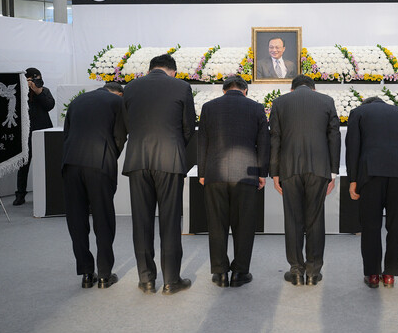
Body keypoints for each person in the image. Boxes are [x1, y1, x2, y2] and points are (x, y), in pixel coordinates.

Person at [120, 54, 196, 295]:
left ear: (150, 69)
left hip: (137, 159)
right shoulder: (181, 86)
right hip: (169, 159)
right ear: (172, 71)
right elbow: (188, 127)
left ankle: (146, 279)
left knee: (141, 221)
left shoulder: (130, 87)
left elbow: (127, 124)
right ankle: (171, 281)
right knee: (170, 221)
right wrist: (175, 146)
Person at [198, 76, 270, 287]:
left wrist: (202, 172)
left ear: (224, 90)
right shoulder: (256, 108)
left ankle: (220, 273)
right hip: (246, 173)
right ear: (245, 90)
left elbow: (202, 141)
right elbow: (263, 143)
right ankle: (240, 272)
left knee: (216, 223)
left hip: (215, 173)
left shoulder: (209, 107)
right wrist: (262, 173)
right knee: (245, 224)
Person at [269, 75, 340, 286]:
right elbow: (334, 137)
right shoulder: (326, 101)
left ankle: (296, 271)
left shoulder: (280, 102)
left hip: (289, 168)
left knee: (293, 219)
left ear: (292, 89)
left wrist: (275, 173)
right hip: (318, 168)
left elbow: (275, 138)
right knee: (315, 219)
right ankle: (313, 272)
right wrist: (333, 173)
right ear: (313, 88)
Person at [345, 97, 398, 289]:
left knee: (370, 225)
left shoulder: (358, 113)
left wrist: (353, 180)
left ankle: (373, 274)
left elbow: (353, 147)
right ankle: (390, 274)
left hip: (371, 173)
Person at [62, 82, 126, 289]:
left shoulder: (77, 101)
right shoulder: (117, 102)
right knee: (103, 218)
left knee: (76, 219)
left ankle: (86, 273)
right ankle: (105, 274)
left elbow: (66, 134)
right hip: (99, 163)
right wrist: (111, 157)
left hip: (71, 163)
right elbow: (120, 137)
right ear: (119, 93)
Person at [13, 67, 55, 206]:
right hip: (25, 133)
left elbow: (50, 105)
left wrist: (38, 92)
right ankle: (20, 194)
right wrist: (26, 88)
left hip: (43, 130)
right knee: (23, 165)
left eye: (39, 79)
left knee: (46, 162)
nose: (36, 82)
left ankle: (49, 191)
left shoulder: (44, 91)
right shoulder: (20, 91)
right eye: (33, 80)